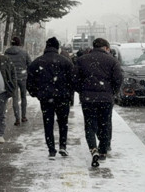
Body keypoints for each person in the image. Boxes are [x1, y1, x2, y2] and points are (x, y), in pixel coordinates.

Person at [73, 37, 122, 167]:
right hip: (106, 98)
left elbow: (74, 79)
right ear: (105, 48)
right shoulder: (112, 61)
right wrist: (112, 92)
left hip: (88, 99)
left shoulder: (82, 60)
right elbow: (118, 79)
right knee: (105, 124)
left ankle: (93, 149)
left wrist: (82, 91)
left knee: (90, 125)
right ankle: (103, 151)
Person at [27, 37, 74, 159]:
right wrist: (69, 94)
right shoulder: (66, 62)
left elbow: (30, 81)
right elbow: (73, 80)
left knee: (48, 123)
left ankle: (51, 150)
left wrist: (36, 93)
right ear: (57, 48)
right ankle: (63, 145)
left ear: (46, 47)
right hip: (62, 97)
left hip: (46, 98)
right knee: (63, 122)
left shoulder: (37, 62)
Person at [4, 36, 32, 126]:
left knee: (15, 99)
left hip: (12, 79)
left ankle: (17, 119)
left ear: (11, 43)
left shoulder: (6, 53)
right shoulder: (24, 52)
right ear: (19, 43)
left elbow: (4, 66)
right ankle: (24, 116)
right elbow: (30, 64)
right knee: (23, 97)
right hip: (23, 78)